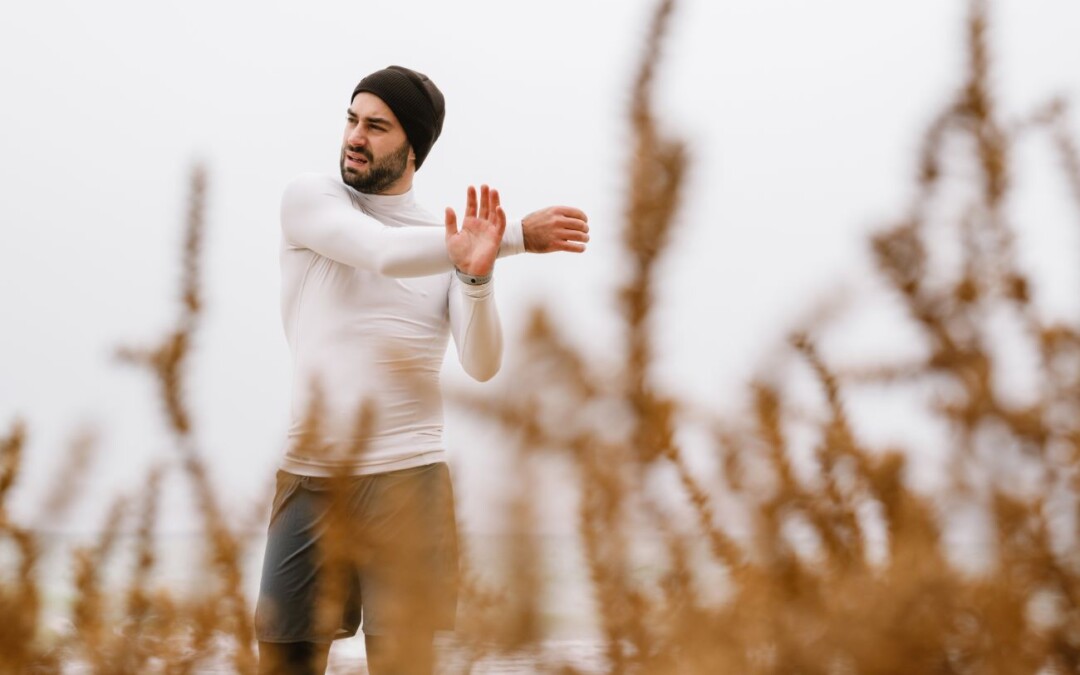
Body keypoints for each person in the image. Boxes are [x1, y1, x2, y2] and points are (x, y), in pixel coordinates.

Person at [254, 65, 589, 674]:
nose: (356, 136)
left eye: (377, 126)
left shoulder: (449, 244)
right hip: (309, 480)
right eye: (352, 119)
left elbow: (482, 365)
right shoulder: (311, 201)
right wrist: (516, 237)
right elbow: (379, 254)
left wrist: (479, 275)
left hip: (409, 480)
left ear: (414, 148)